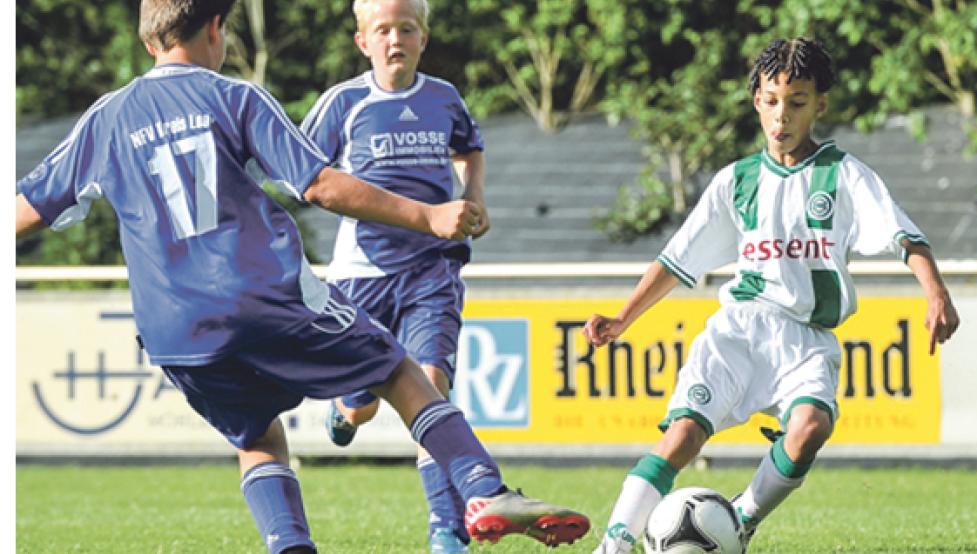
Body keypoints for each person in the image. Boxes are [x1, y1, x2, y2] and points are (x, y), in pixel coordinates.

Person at [14, 1, 590, 552]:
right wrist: (428, 214)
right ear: (217, 29)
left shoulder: (106, 117)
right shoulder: (234, 96)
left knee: (259, 436)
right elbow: (319, 185)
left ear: (147, 42)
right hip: (260, 294)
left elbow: (23, 210)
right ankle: (484, 491)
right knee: (400, 372)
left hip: (173, 330)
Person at [585, 37, 960, 554]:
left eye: (797, 102)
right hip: (737, 330)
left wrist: (934, 291)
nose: (782, 115)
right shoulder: (734, 181)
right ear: (757, 100)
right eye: (771, 100)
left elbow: (904, 235)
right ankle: (614, 546)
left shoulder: (842, 174)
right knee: (683, 436)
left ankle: (738, 520)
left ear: (819, 105)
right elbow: (677, 259)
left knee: (810, 427)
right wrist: (623, 318)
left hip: (806, 338)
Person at [299, 1, 488, 552]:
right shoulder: (344, 103)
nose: (394, 38)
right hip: (362, 275)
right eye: (382, 30)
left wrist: (474, 199)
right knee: (364, 403)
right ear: (363, 42)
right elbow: (308, 174)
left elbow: (470, 149)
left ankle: (447, 529)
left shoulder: (443, 98)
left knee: (431, 385)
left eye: (407, 28)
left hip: (433, 267)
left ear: (423, 38)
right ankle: (344, 411)